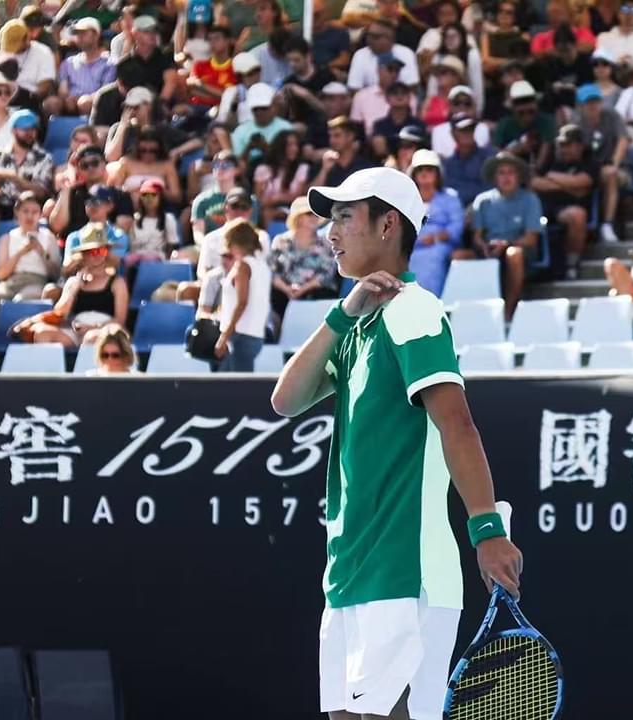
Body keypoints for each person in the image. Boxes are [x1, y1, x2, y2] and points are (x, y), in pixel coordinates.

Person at [270, 165, 522, 720]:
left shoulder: (414, 309)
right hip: (350, 570)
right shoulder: (358, 324)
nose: (331, 232)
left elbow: (457, 423)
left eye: (344, 217)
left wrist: (487, 530)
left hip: (407, 570)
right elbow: (285, 399)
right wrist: (342, 313)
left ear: (387, 226)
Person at [470, 152, 543, 320]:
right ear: (495, 177)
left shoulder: (530, 199)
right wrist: (483, 246)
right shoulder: (482, 200)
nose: (506, 177)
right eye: (501, 173)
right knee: (459, 256)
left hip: (520, 250)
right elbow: (477, 235)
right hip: (489, 249)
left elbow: (531, 238)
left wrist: (507, 244)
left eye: (511, 172)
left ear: (519, 176)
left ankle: (508, 312)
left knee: (513, 254)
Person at [31, 228, 129, 348]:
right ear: (83, 254)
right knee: (42, 333)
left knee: (92, 337)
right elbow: (60, 314)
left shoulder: (117, 283)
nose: (98, 255)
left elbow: (120, 320)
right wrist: (74, 289)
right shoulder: (73, 281)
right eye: (92, 251)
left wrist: (94, 327)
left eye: (102, 250)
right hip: (75, 330)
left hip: (105, 330)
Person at [531, 124, 596, 280]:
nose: (563, 149)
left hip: (570, 208)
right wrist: (569, 185)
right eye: (561, 145)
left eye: (567, 145)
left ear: (580, 146)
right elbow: (534, 182)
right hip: (545, 208)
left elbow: (583, 182)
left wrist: (551, 177)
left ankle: (571, 263)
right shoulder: (551, 161)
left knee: (577, 215)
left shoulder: (590, 162)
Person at [574, 83, 630, 244]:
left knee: (610, 175)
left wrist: (614, 163)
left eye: (596, 101)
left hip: (615, 167)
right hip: (588, 169)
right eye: (588, 102)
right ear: (580, 106)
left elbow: (623, 140)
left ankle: (607, 224)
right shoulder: (576, 124)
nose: (593, 106)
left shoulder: (612, 116)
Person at [213, 219, 271, 372]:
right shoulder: (262, 266)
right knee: (224, 381)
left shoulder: (242, 266)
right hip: (254, 335)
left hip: (240, 336)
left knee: (239, 385)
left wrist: (225, 336)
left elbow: (242, 302)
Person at [269, 196, 338, 321]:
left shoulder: (326, 243)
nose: (314, 217)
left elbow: (327, 274)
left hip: (315, 294)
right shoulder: (280, 241)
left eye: (315, 214)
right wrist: (287, 289)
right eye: (309, 214)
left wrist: (302, 289)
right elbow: (273, 272)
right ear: (298, 217)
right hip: (283, 295)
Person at [407, 149, 464, 296]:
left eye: (429, 169)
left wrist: (436, 237)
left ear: (438, 174)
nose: (424, 174)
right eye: (420, 170)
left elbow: (457, 225)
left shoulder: (450, 197)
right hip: (411, 246)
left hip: (439, 245)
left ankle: (431, 301)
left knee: (432, 257)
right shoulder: (407, 200)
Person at [0, 108, 54, 219]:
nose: (30, 133)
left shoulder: (44, 158)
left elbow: (41, 192)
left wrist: (12, 177)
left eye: (33, 129)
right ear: (14, 130)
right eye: (25, 129)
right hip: (1, 208)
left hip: (30, 209)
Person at [0, 191, 60, 301]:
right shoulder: (6, 238)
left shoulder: (48, 237)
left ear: (40, 214)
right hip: (11, 282)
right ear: (17, 212)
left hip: (36, 282)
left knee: (21, 300)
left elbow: (55, 274)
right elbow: (1, 274)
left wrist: (41, 251)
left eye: (34, 212)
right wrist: (21, 252)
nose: (29, 216)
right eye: (25, 211)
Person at [50, 17, 116, 118]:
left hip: (95, 106)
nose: (79, 37)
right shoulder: (68, 62)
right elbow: (63, 89)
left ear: (96, 35)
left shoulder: (109, 63)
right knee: (51, 103)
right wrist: (67, 98)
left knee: (84, 102)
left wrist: (85, 99)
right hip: (71, 104)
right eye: (77, 33)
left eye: (83, 33)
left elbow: (105, 92)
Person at [63, 185, 131, 273]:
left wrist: (97, 250)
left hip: (110, 280)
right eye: (88, 202)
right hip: (82, 278)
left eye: (97, 202)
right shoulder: (74, 236)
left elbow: (117, 264)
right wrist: (85, 252)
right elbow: (66, 270)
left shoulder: (118, 236)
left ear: (110, 205)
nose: (92, 206)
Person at [254, 131, 311, 228]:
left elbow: (297, 196)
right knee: (265, 213)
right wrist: (276, 199)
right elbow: (259, 199)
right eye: (289, 145)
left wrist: (276, 198)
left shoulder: (302, 168)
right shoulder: (263, 169)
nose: (294, 149)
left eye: (296, 145)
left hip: (292, 208)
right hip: (266, 210)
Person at [493, 80, 555, 168]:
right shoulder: (504, 124)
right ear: (513, 108)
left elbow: (542, 160)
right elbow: (496, 156)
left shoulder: (546, 121)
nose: (526, 109)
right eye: (520, 104)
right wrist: (518, 149)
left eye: (529, 102)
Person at [347, 19, 422, 91]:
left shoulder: (406, 53)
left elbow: (412, 86)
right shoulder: (360, 55)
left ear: (390, 38)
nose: (369, 39)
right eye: (368, 35)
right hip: (369, 98)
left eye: (375, 37)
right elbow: (354, 88)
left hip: (400, 97)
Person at [232, 83, 294, 165]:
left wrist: (266, 148)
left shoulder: (286, 128)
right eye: (255, 109)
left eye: (263, 108)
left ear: (274, 105)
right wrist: (248, 148)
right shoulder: (240, 131)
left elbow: (290, 161)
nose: (259, 112)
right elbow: (236, 164)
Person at [443, 114, 496, 209]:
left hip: (486, 209)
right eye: (463, 130)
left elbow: (492, 189)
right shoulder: (448, 165)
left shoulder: (490, 156)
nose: (467, 133)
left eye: (471, 129)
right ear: (453, 134)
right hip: (457, 211)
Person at [351, 55, 411, 137]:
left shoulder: (408, 96)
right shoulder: (361, 96)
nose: (394, 74)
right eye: (390, 69)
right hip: (370, 140)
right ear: (379, 70)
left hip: (401, 138)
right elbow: (356, 126)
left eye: (397, 71)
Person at [127, 179, 180, 268]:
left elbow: (171, 246)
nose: (149, 199)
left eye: (153, 194)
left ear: (161, 197)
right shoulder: (134, 219)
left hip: (158, 261)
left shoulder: (168, 219)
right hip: (135, 261)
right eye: (145, 195)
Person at [596, 0, 633, 77]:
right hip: (611, 78)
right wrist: (619, 62)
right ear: (618, 13)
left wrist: (630, 62)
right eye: (624, 9)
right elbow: (601, 63)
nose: (628, 14)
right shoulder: (603, 37)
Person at [311, 117, 375, 189]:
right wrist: (324, 170)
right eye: (330, 136)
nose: (332, 140)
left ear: (350, 136)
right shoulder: (325, 163)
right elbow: (310, 192)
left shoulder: (365, 167)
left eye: (337, 135)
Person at [430, 87, 490, 158]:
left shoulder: (482, 128)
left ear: (474, 106)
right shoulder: (438, 130)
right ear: (450, 106)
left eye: (467, 103)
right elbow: (439, 157)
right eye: (457, 103)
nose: (462, 107)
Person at [371, 83, 423, 158]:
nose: (399, 96)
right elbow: (380, 150)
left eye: (403, 93)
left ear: (409, 98)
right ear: (387, 98)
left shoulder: (418, 124)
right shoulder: (379, 125)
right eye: (394, 93)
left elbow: (421, 148)